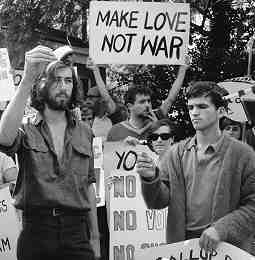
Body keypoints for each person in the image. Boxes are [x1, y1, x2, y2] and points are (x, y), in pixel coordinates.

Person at [0, 46, 100, 260]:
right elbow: (4, 138)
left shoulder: (85, 132)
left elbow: (89, 186)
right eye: (56, 80)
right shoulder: (26, 128)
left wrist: (96, 238)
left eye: (68, 80)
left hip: (77, 234)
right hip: (36, 233)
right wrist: (27, 79)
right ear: (41, 85)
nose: (63, 86)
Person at [136, 81, 255, 254]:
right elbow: (158, 201)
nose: (194, 113)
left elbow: (252, 206)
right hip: (184, 248)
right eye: (191, 107)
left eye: (202, 106)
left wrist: (221, 229)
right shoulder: (175, 153)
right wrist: (150, 178)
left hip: (227, 249)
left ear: (221, 111)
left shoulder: (243, 154)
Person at [107, 62, 189, 142]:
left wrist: (183, 69)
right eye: (142, 102)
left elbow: (170, 99)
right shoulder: (115, 131)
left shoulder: (158, 117)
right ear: (130, 106)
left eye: (148, 101)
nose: (147, 105)